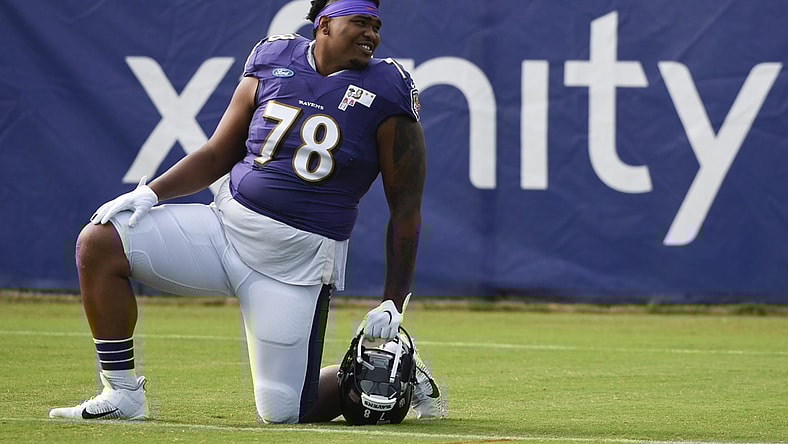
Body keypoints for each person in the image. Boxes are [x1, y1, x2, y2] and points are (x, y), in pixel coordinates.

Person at [48, 0, 446, 424]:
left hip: (295, 265)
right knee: (101, 241)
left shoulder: (387, 89)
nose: (372, 34)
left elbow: (406, 211)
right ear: (325, 25)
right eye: (360, 22)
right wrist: (152, 192)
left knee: (284, 413)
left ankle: (401, 365)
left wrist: (392, 301)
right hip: (224, 229)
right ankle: (123, 394)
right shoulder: (273, 58)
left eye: (377, 26)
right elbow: (220, 151)